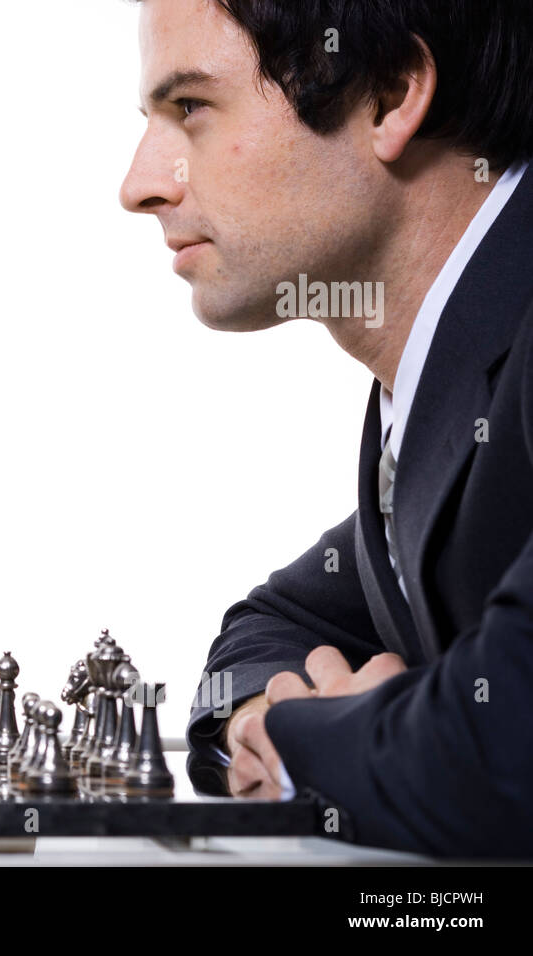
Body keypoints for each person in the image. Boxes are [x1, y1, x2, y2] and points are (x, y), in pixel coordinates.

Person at [118, 0, 533, 857]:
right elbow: (270, 625)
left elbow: (508, 742)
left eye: (190, 108)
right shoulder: (432, 388)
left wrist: (313, 738)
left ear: (387, 95)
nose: (140, 185)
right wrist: (271, 714)